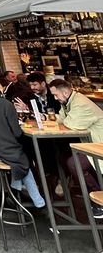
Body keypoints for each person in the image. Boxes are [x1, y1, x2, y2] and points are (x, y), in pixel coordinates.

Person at [0, 79, 45, 208]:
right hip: (7, 150)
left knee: (19, 160)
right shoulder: (6, 104)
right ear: (1, 90)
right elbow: (17, 133)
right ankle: (38, 201)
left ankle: (18, 191)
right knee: (24, 161)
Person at [49, 78, 103, 211]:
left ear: (66, 92)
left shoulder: (80, 103)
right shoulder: (69, 102)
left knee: (74, 163)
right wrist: (48, 118)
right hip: (90, 145)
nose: (55, 98)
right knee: (63, 158)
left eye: (56, 95)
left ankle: (97, 196)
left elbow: (71, 125)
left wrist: (61, 121)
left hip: (99, 145)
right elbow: (61, 118)